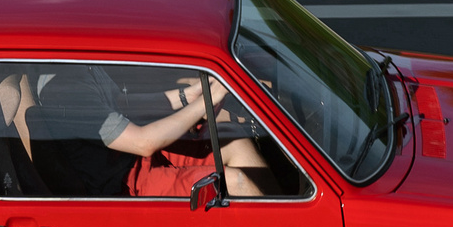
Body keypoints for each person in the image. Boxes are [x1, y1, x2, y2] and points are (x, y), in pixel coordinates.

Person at [25, 66, 272, 198]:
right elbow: (143, 143)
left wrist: (190, 94)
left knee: (229, 138)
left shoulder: (80, 67)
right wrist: (204, 103)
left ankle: (279, 222)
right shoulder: (64, 88)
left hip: (133, 159)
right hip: (122, 183)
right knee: (233, 181)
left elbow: (121, 103)